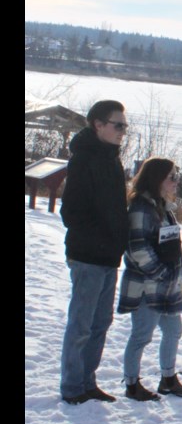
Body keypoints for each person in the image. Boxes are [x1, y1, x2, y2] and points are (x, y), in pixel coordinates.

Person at [59, 100, 130, 405]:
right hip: (87, 255)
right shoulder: (84, 159)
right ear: (98, 124)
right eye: (118, 125)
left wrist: (118, 240)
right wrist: (102, 238)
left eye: (125, 126)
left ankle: (88, 381)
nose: (122, 131)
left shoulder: (111, 158)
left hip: (108, 256)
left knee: (101, 323)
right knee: (81, 324)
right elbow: (71, 213)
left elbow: (115, 209)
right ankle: (73, 386)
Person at [117, 157, 182, 401]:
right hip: (147, 286)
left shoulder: (162, 207)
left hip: (167, 287)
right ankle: (132, 384)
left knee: (174, 330)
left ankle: (168, 379)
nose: (175, 181)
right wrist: (162, 273)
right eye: (171, 176)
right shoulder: (141, 207)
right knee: (142, 335)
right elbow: (137, 248)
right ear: (157, 178)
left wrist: (172, 277)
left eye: (176, 175)